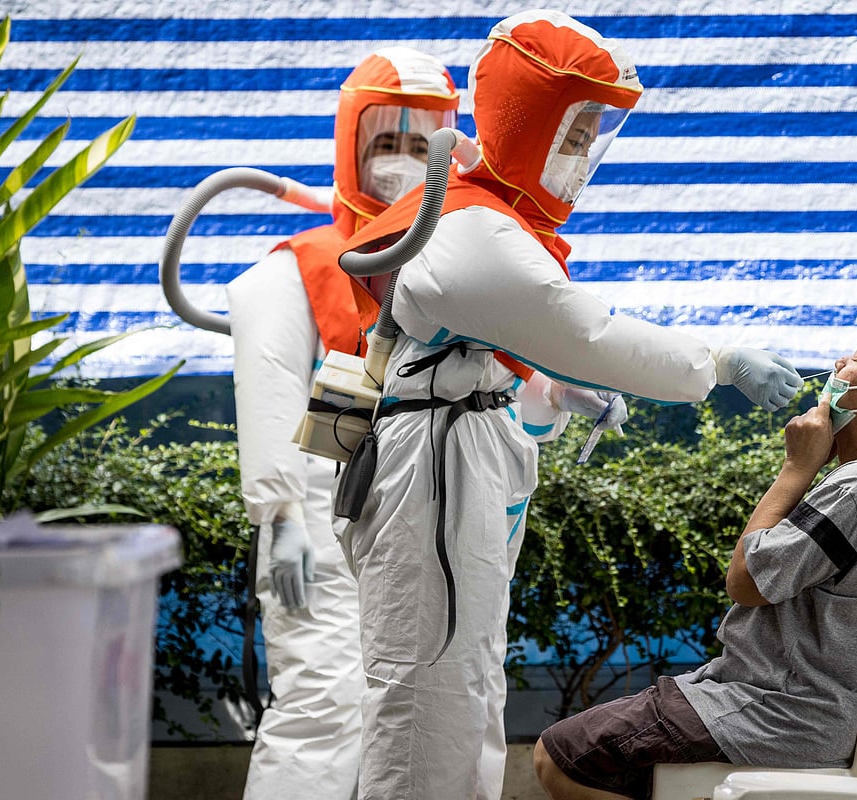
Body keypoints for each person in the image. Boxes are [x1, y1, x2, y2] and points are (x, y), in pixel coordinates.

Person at [334, 10, 805, 800]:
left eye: (592, 136)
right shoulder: (474, 231)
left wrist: (547, 386)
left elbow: (501, 337)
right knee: (426, 705)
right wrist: (718, 362)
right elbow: (585, 330)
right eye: (575, 132)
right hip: (433, 478)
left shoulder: (485, 220)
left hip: (451, 464)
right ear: (529, 120)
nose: (584, 157)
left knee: (466, 686)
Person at [532, 319, 857, 800]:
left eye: (855, 357)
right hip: (803, 702)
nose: (837, 365)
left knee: (559, 757)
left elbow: (744, 581)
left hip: (776, 708)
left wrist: (797, 467)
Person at [224, 46, 459, 800]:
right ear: (350, 143)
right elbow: (266, 396)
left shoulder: (457, 267)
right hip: (321, 519)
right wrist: (281, 516)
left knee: (430, 709)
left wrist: (562, 395)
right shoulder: (291, 270)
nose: (401, 160)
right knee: (322, 705)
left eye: (421, 144)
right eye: (385, 141)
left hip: (425, 518)